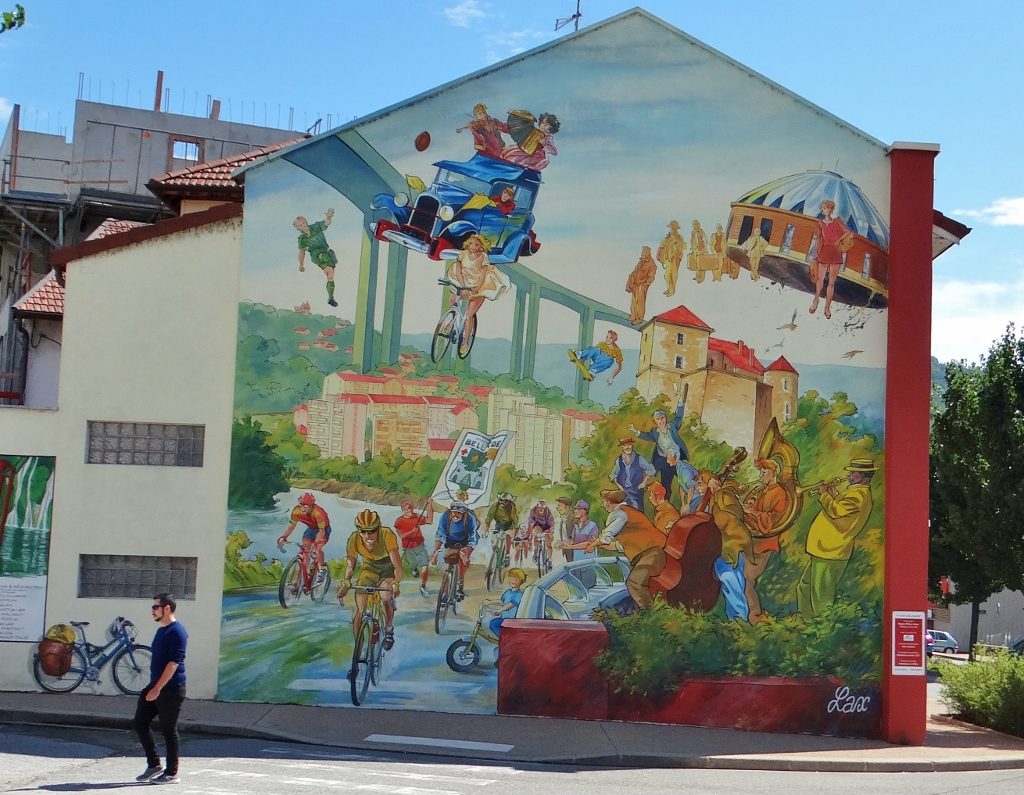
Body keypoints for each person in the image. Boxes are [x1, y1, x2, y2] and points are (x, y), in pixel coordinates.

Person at [797, 459, 876, 618]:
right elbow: (845, 508)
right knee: (805, 586)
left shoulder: (859, 495)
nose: (849, 475)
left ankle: (822, 626)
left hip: (831, 551)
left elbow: (836, 511)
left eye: (853, 473)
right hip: (824, 550)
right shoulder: (855, 493)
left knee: (821, 596)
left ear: (862, 476)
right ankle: (804, 621)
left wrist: (824, 494)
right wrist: (834, 494)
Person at [134, 593, 188, 785]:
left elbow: (173, 664)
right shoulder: (161, 631)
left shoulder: (178, 632)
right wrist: (154, 686)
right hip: (156, 684)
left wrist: (157, 688)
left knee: (169, 730)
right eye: (152, 607)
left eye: (155, 607)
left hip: (171, 688)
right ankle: (154, 764)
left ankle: (172, 773)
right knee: (140, 722)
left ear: (167, 608)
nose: (152, 610)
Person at [585, 489, 667, 609]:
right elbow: (619, 546)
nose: (603, 505)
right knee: (637, 584)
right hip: (653, 551)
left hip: (653, 552)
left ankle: (651, 613)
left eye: (604, 502)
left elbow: (606, 537)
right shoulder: (629, 513)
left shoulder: (619, 513)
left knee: (635, 583)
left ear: (609, 502)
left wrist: (593, 545)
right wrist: (597, 544)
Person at [338, 509, 403, 652]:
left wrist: (396, 583)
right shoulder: (354, 538)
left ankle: (389, 628)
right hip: (369, 569)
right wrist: (346, 580)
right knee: (360, 610)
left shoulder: (387, 534)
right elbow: (350, 565)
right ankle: (358, 648)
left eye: (372, 531)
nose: (367, 536)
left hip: (387, 569)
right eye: (363, 531)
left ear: (378, 528)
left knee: (386, 597)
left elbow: (397, 566)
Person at [696, 469, 753, 621]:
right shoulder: (713, 499)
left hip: (731, 545)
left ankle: (739, 620)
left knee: (731, 581)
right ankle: (735, 620)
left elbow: (732, 511)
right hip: (725, 547)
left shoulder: (724, 494)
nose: (698, 487)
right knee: (731, 583)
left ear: (711, 482)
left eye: (700, 483)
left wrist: (710, 525)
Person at [742, 457, 790, 623]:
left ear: (773, 473)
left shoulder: (781, 494)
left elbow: (773, 521)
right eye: (761, 473)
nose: (761, 476)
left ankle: (755, 616)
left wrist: (753, 512)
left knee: (747, 579)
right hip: (752, 541)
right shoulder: (762, 490)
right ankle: (746, 615)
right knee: (742, 578)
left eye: (764, 473)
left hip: (764, 544)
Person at [447, 233, 509, 355]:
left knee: (469, 315)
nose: (473, 247)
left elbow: (482, 275)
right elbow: (458, 271)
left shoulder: (483, 256)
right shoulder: (463, 254)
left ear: (481, 246)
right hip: (464, 281)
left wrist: (476, 288)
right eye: (471, 244)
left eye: (476, 245)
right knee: (452, 300)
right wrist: (463, 286)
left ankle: (465, 342)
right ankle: (451, 323)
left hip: (478, 285)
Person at [630, 398, 690, 497]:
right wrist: (636, 432)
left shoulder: (672, 426)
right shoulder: (655, 432)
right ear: (655, 421)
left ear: (666, 418)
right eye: (658, 419)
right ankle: (665, 502)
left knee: (686, 479)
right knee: (666, 486)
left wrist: (680, 403)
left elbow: (678, 418)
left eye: (662, 418)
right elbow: (647, 436)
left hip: (677, 459)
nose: (661, 421)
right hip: (665, 461)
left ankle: (693, 497)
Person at [808, 199, 852, 319]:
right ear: (822, 209)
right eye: (824, 208)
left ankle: (827, 307)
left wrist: (838, 240)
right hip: (824, 252)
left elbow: (848, 232)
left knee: (831, 283)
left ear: (831, 209)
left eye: (828, 208)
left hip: (835, 253)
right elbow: (819, 240)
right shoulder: (820, 223)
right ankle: (816, 300)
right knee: (820, 280)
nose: (825, 210)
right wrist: (816, 255)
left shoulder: (837, 221)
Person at [431, 501, 480, 601]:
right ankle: (445, 591)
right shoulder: (445, 516)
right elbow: (440, 533)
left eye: (459, 513)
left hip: (466, 541)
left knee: (462, 561)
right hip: (451, 540)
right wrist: (435, 552)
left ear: (464, 513)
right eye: (454, 512)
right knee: (447, 562)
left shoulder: (470, 518)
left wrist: (466, 553)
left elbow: (473, 536)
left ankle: (460, 584)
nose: (456, 515)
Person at [277, 492, 331, 581]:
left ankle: (321, 569)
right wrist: (284, 537)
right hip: (311, 529)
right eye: (301, 505)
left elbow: (321, 531)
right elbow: (292, 526)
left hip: (323, 529)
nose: (302, 508)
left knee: (317, 548)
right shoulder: (296, 511)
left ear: (311, 506)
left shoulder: (318, 513)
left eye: (306, 506)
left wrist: (315, 544)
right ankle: (306, 576)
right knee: (305, 551)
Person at [294, 208, 339, 307]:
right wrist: (301, 265)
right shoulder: (302, 239)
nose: (303, 225)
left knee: (330, 276)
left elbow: (326, 223)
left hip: (325, 251)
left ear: (306, 222)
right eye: (300, 225)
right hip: (316, 254)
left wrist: (329, 217)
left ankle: (331, 297)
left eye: (304, 223)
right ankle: (328, 257)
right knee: (324, 256)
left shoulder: (316, 226)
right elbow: (301, 252)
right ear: (298, 228)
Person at [394, 500, 433, 598]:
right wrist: (412, 532)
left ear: (413, 508)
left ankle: (423, 586)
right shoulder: (399, 521)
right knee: (413, 563)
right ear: (403, 510)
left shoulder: (417, 517)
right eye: (406, 509)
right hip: (408, 548)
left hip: (420, 545)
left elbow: (429, 521)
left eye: (410, 508)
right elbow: (402, 536)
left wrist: (429, 505)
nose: (409, 511)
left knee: (425, 568)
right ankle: (413, 568)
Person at [609, 437, 656, 510]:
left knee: (638, 511)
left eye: (629, 445)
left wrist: (644, 482)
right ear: (622, 447)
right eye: (625, 445)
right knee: (626, 511)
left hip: (636, 490)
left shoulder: (639, 458)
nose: (627, 447)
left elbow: (651, 469)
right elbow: (613, 475)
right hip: (624, 491)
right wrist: (619, 486)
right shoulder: (619, 460)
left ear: (632, 445)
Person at [489, 568, 527, 638]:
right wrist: (489, 602)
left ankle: (505, 639)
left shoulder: (519, 595)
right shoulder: (508, 592)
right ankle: (504, 638)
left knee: (494, 624)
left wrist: (500, 610)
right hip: (504, 618)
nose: (513, 581)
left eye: (516, 579)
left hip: (511, 620)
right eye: (511, 578)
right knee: (494, 623)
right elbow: (501, 601)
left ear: (521, 581)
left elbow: (510, 605)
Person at [625, 245, 657, 325]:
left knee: (640, 303)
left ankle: (639, 319)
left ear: (648, 252)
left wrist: (646, 284)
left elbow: (651, 276)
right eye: (642, 252)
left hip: (642, 285)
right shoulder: (641, 261)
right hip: (635, 284)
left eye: (644, 252)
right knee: (634, 301)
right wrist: (631, 279)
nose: (642, 253)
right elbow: (635, 271)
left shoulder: (651, 263)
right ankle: (633, 316)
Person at [656, 219, 686, 297]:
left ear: (676, 228)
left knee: (672, 274)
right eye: (671, 227)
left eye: (674, 227)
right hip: (668, 258)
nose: (672, 229)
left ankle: (672, 290)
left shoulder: (679, 237)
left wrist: (676, 250)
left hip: (674, 258)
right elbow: (662, 244)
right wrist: (667, 239)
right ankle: (669, 288)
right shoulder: (668, 236)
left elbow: (683, 246)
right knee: (667, 275)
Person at [527, 498, 555, 569]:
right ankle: (536, 550)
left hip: (546, 526)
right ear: (537, 507)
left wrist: (551, 532)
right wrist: (529, 534)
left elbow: (551, 523)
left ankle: (550, 560)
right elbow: (530, 524)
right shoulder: (533, 511)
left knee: (548, 545)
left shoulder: (548, 512)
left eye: (543, 508)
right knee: (537, 531)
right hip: (537, 525)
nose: (541, 510)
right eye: (539, 508)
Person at [554, 496, 574, 562]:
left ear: (567, 507)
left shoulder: (574, 518)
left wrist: (564, 543)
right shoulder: (563, 518)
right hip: (567, 550)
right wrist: (561, 542)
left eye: (559, 505)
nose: (557, 508)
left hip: (574, 551)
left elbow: (577, 536)